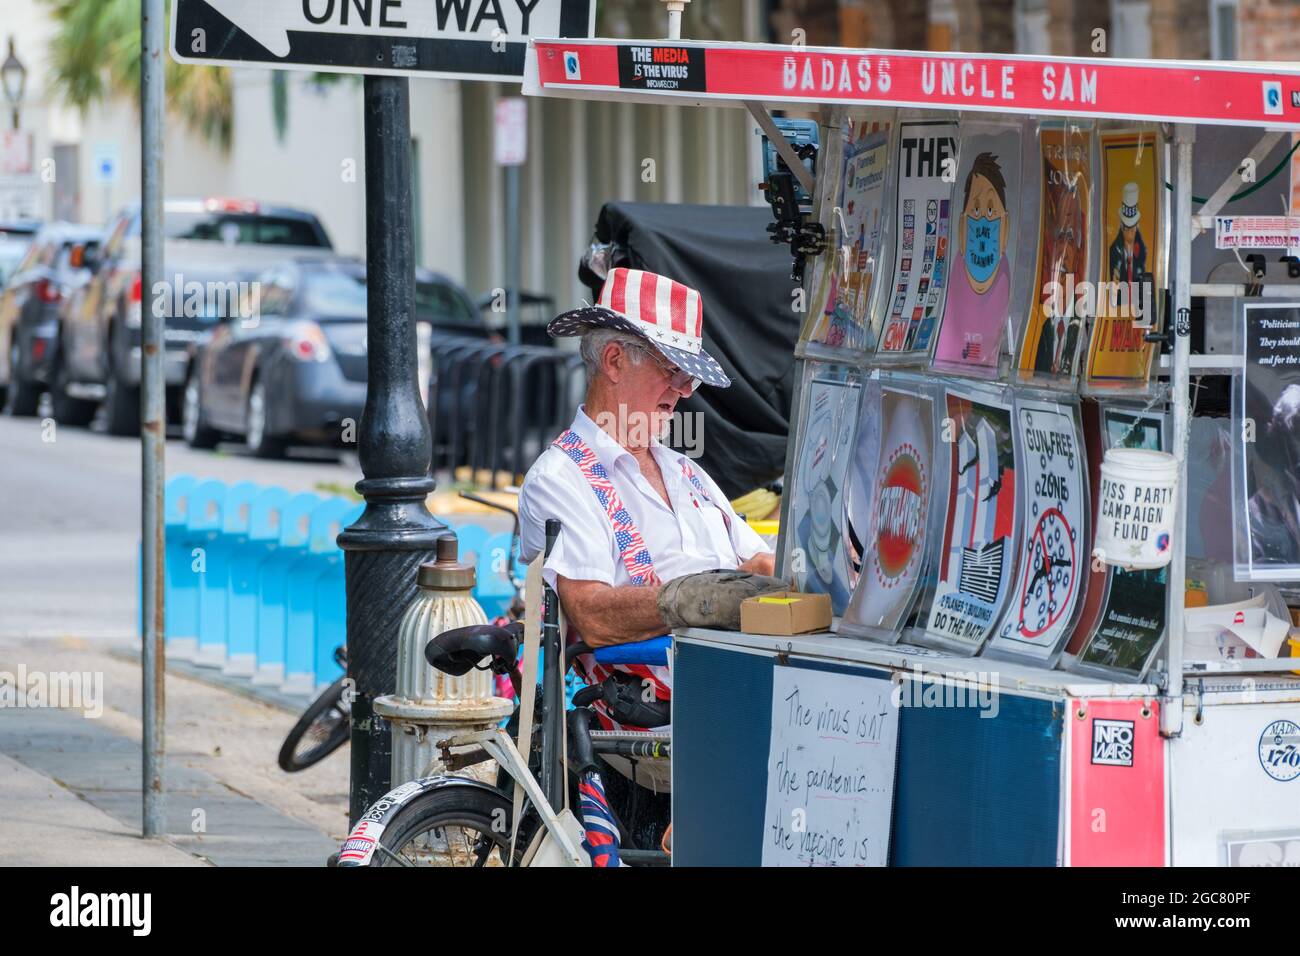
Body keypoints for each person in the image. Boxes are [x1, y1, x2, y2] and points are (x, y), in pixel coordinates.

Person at [518, 267, 776, 732]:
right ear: (614, 361)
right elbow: (593, 615)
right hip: (657, 716)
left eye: (689, 379)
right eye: (672, 371)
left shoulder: (684, 470)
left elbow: (757, 563)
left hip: (735, 688)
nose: (682, 392)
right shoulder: (559, 479)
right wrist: (692, 601)